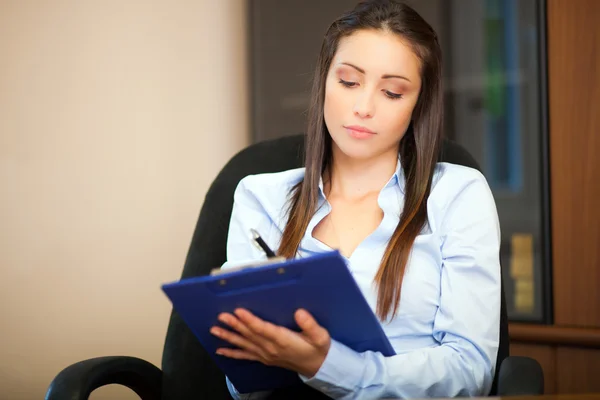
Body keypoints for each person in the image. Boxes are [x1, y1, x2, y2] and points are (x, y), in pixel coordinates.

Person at [209, 0, 501, 399]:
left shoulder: (458, 194)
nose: (363, 108)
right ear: (324, 82)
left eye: (393, 92)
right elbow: (244, 384)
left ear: (418, 105)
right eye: (348, 82)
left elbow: (471, 370)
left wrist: (327, 365)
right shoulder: (259, 197)